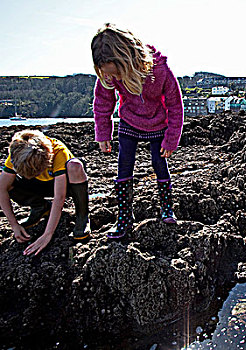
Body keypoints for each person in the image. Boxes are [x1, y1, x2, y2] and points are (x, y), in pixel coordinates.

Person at [91, 23, 184, 239]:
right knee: (124, 166)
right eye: (106, 73)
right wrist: (103, 134)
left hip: (157, 124)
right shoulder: (107, 73)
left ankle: (167, 208)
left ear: (126, 59)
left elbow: (175, 104)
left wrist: (171, 139)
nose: (111, 77)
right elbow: (103, 102)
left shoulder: (158, 69)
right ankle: (124, 217)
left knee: (159, 163)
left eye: (115, 72)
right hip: (129, 123)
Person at [0, 129, 91, 255]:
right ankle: (40, 206)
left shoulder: (58, 152)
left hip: (60, 184)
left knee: (75, 166)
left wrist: (47, 235)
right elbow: (1, 189)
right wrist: (14, 225)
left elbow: (59, 198)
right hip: (34, 186)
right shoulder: (18, 152)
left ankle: (82, 217)